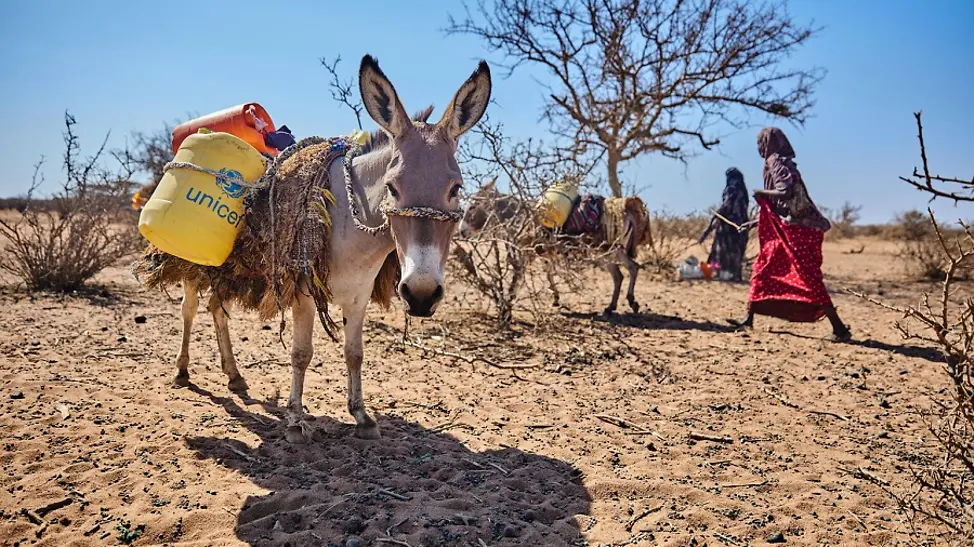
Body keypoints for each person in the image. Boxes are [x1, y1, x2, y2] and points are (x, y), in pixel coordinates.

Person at [728, 127, 852, 341]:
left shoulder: (775, 161)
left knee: (807, 276)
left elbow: (785, 192)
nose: (759, 147)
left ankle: (839, 327)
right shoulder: (783, 163)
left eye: (761, 142)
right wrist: (754, 222)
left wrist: (760, 193)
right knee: (763, 268)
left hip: (797, 231)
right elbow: (783, 207)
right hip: (793, 228)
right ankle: (748, 318)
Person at [699, 167, 750, 281]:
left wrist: (713, 220)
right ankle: (734, 274)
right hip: (741, 227)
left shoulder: (732, 189)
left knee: (724, 249)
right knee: (736, 250)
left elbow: (726, 207)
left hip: (729, 227)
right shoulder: (744, 192)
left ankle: (723, 273)